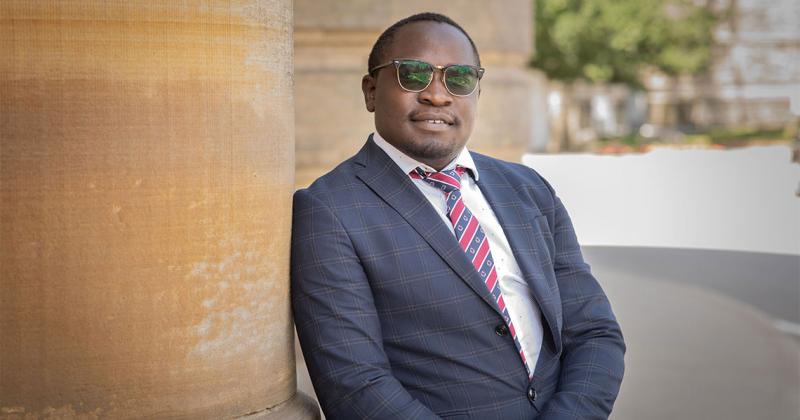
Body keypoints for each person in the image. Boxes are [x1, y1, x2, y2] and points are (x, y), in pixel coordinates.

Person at [291, 12, 625, 420]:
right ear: (371, 91)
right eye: (413, 75)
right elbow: (357, 386)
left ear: (477, 93)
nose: (437, 95)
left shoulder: (528, 189)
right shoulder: (328, 210)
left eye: (459, 78)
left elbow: (595, 332)